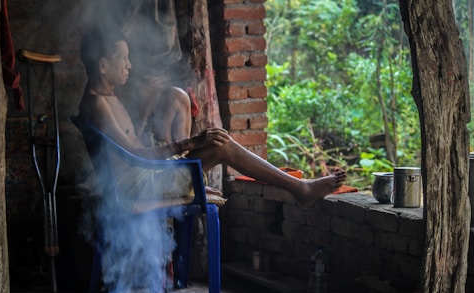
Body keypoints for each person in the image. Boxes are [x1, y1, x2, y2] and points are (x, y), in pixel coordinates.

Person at [77, 28, 346, 207]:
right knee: (222, 146)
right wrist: (187, 144)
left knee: (188, 109)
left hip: (148, 176)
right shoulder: (97, 104)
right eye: (122, 58)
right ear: (102, 66)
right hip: (137, 187)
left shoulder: (109, 97)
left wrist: (154, 112)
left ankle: (299, 187)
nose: (129, 65)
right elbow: (136, 153)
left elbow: (131, 140)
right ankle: (300, 188)